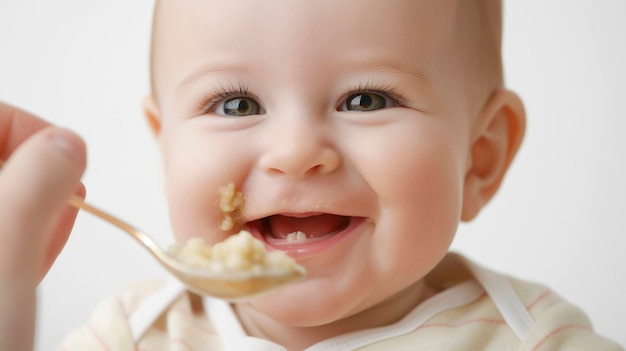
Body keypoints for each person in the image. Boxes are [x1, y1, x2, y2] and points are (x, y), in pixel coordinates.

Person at [0, 0, 623, 350]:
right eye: (236, 105)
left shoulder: (534, 341)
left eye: (367, 100)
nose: (296, 154)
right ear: (166, 150)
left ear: (479, 158)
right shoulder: (132, 339)